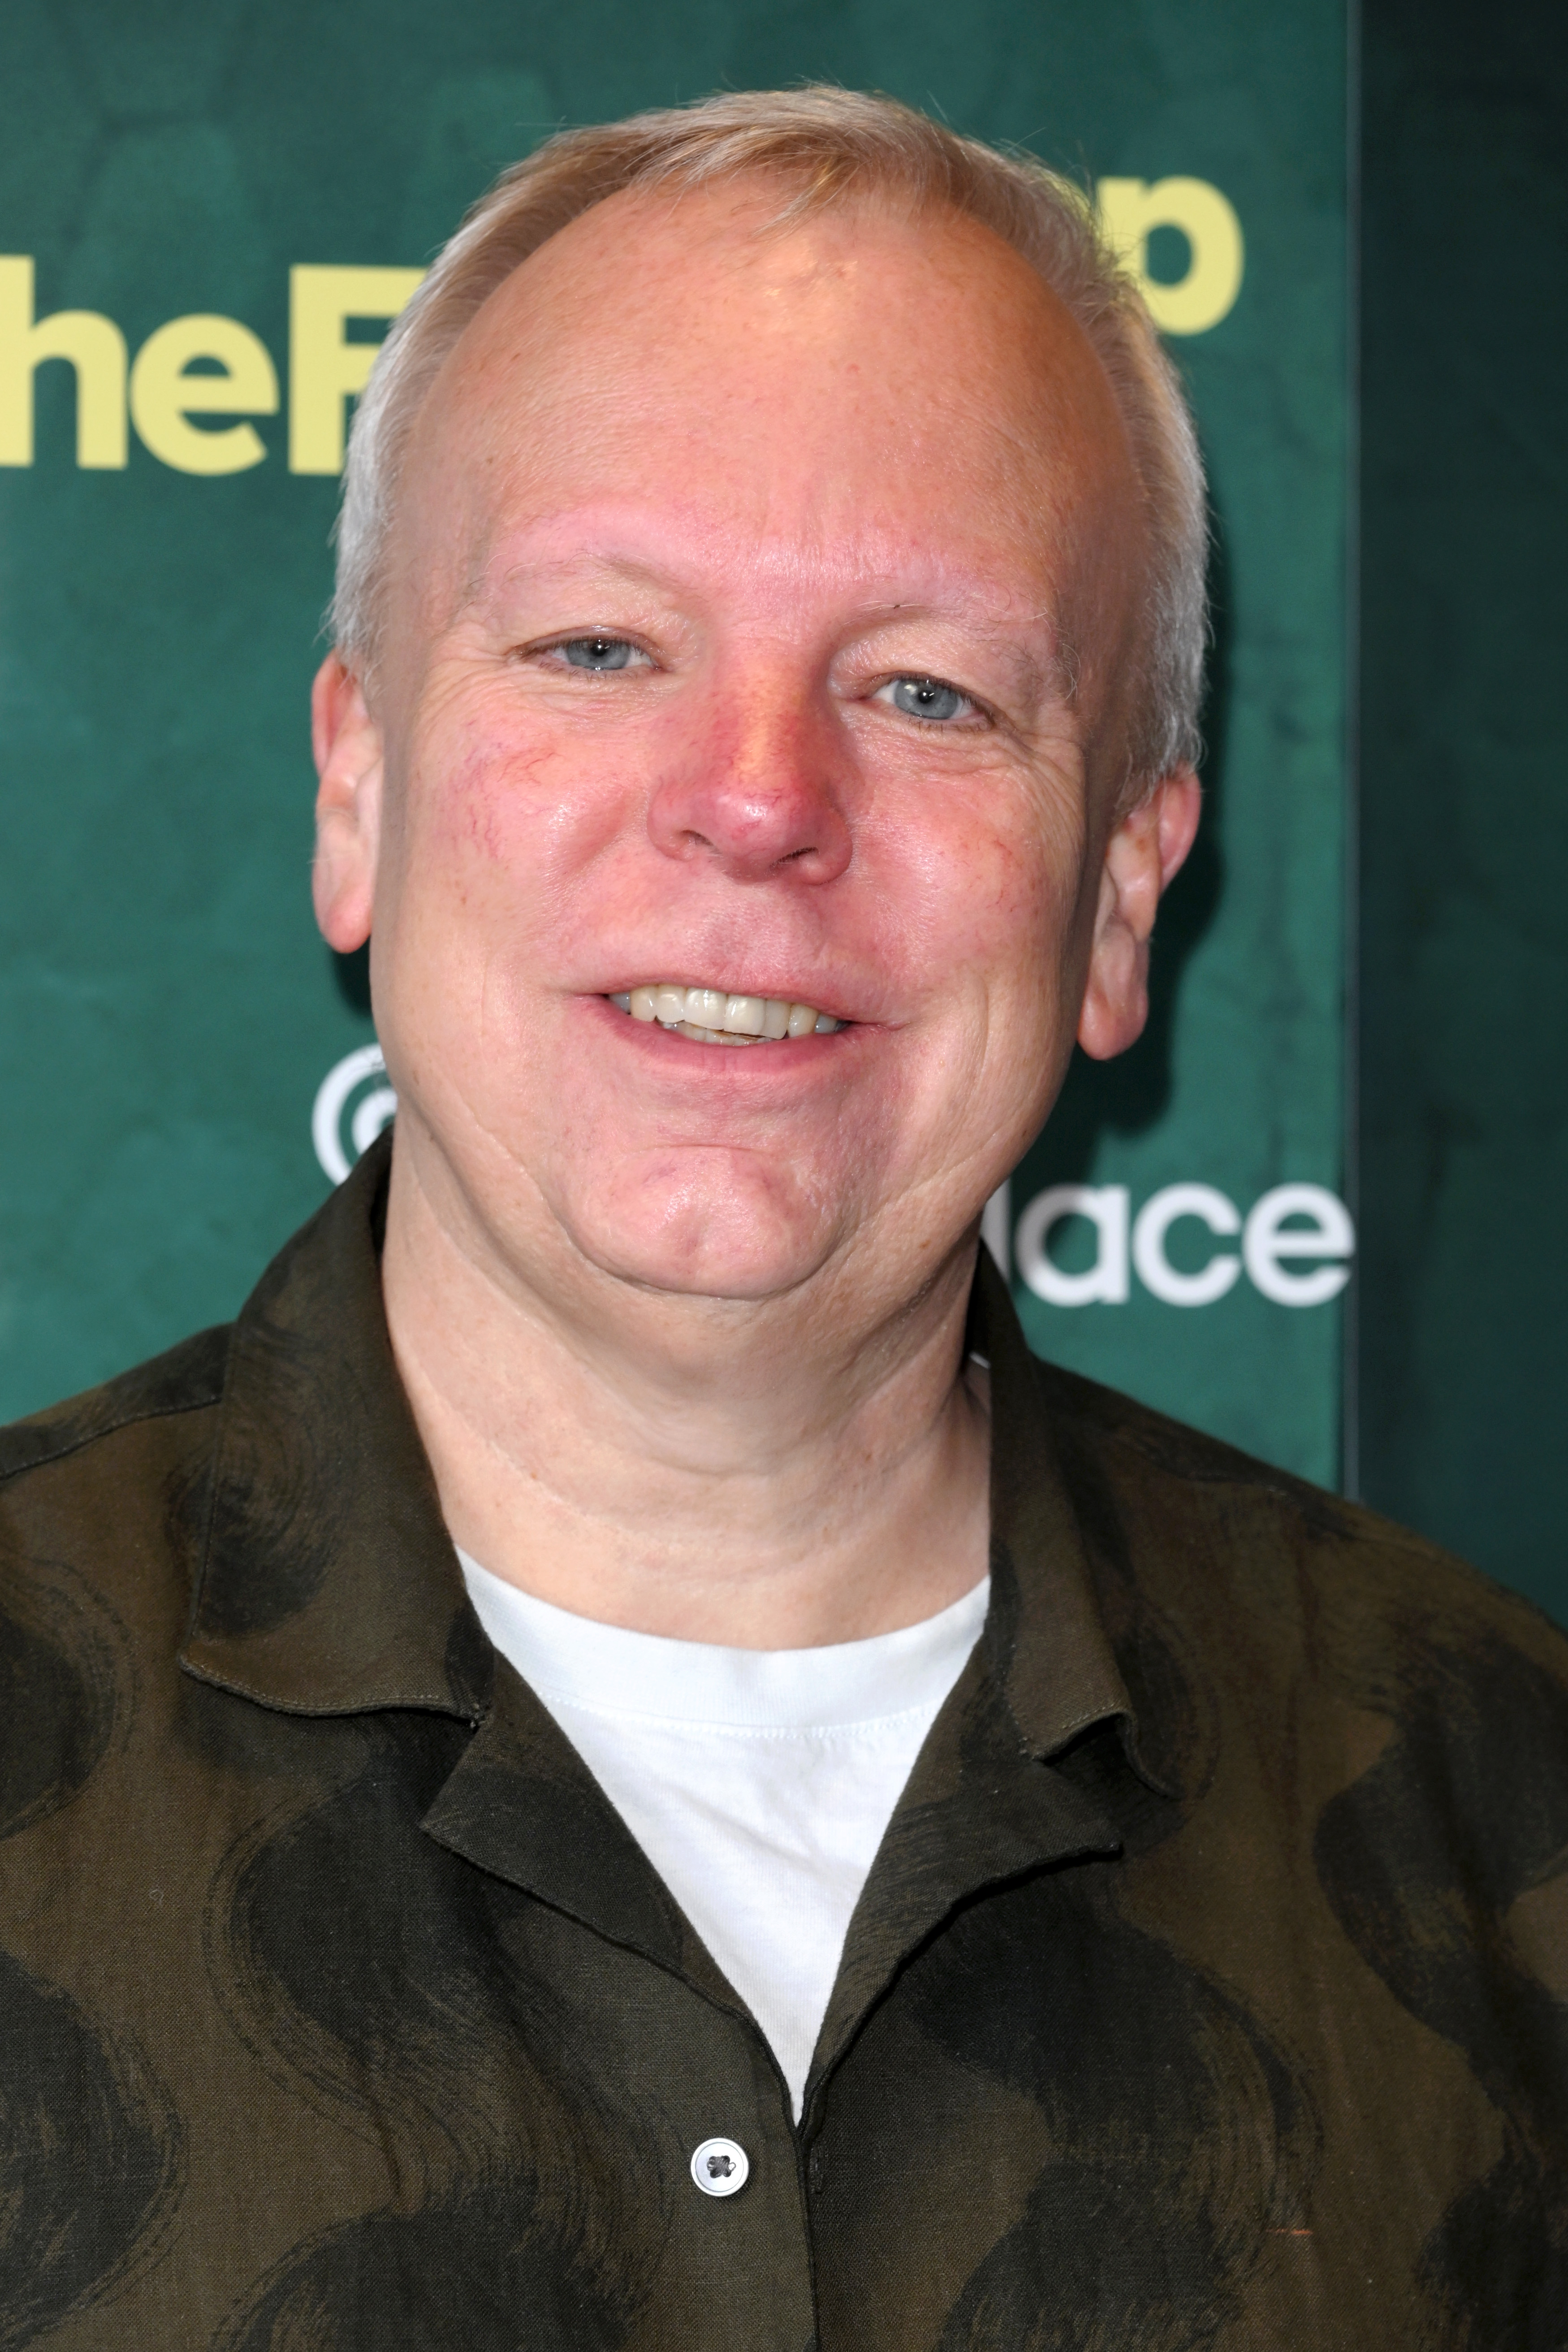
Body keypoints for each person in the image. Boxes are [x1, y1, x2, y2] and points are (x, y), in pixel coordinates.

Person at [2, 86, 1564, 2351]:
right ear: (356, 788)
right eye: (598, 646)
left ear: (1121, 891)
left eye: (924, 690)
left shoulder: (1496, 1825)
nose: (754, 800)